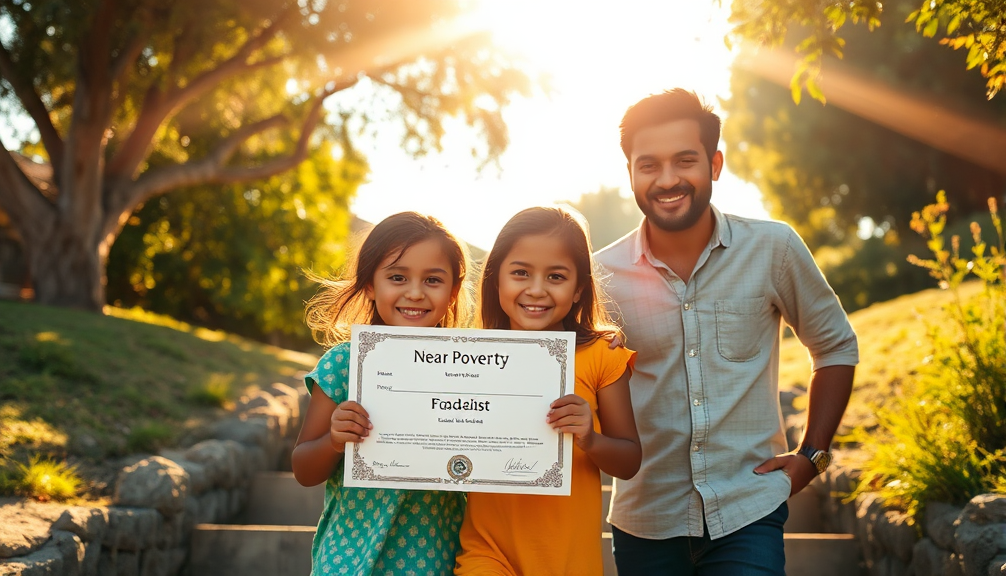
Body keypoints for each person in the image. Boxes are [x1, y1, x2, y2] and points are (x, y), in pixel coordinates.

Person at [595, 89, 859, 575]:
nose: (668, 179)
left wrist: (813, 456)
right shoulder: (599, 276)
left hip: (749, 511)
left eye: (685, 160)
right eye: (648, 164)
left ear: (714, 164)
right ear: (630, 172)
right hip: (645, 521)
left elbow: (836, 346)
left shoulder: (774, 248)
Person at [455, 206, 643, 576]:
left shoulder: (601, 356)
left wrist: (590, 438)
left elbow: (630, 460)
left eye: (556, 276)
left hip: (567, 560)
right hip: (486, 551)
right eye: (520, 272)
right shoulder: (464, 357)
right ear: (496, 280)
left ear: (578, 291)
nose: (536, 289)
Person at [292, 211, 473, 576]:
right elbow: (303, 469)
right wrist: (334, 440)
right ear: (371, 285)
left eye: (433, 279)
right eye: (397, 277)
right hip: (349, 559)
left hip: (434, 558)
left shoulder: (470, 369)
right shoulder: (344, 364)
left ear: (453, 291)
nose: (415, 292)